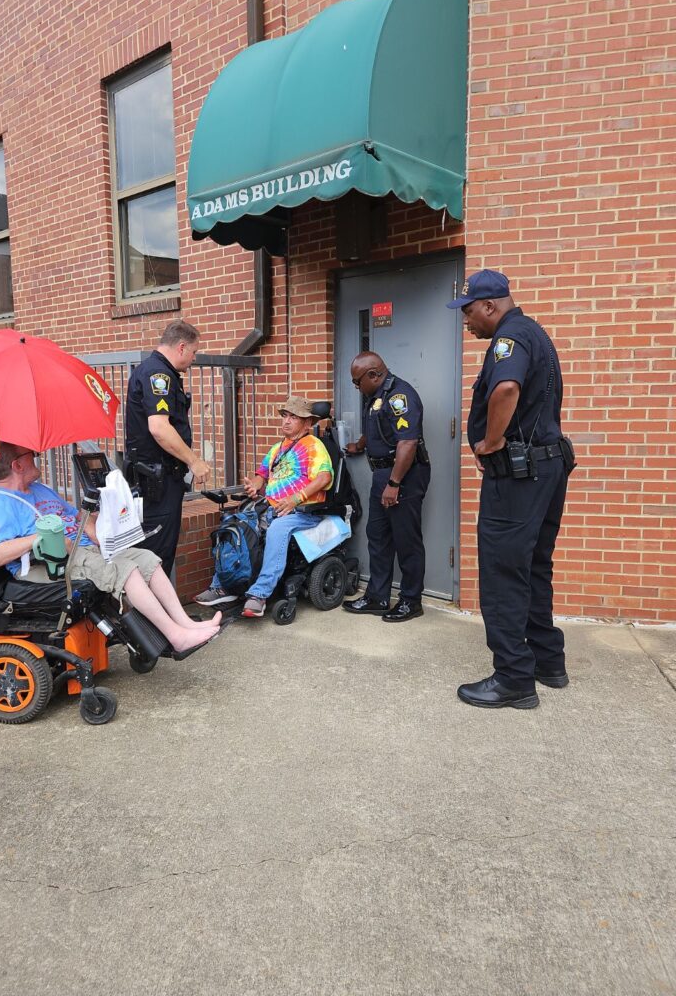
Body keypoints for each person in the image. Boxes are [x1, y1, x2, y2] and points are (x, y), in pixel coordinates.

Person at [447, 269, 575, 709]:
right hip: (548, 467)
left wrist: (491, 441)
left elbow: (505, 388)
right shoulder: (533, 330)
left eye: (468, 313)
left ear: (489, 306)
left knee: (503, 572)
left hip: (519, 477)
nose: (466, 323)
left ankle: (513, 678)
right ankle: (547, 661)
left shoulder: (510, 337)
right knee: (534, 565)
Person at [0, 441, 221, 657]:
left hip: (84, 551)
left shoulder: (41, 491)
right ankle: (176, 637)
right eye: (30, 453)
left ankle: (185, 624)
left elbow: (84, 526)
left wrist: (97, 509)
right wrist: (42, 537)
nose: (37, 455)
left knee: (147, 559)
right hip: (51, 564)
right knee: (126, 570)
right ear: (17, 465)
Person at [194, 396, 333, 618]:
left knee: (277, 529)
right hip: (270, 507)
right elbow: (262, 474)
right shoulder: (278, 448)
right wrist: (255, 486)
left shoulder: (314, 446)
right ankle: (223, 585)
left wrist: (296, 498)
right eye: (285, 416)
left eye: (294, 417)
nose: (286, 421)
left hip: (302, 511)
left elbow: (324, 477)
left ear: (308, 423)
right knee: (235, 524)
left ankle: (259, 594)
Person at [342, 352, 430, 623]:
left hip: (403, 475)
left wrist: (394, 483)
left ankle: (410, 601)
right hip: (383, 475)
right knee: (377, 535)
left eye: (357, 382)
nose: (356, 387)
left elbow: (407, 443)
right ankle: (377, 597)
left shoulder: (400, 397)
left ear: (373, 374)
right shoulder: (377, 396)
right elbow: (377, 424)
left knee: (406, 540)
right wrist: (361, 444)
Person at [124, 319, 211, 576]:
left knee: (158, 551)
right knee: (155, 556)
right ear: (182, 347)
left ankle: (155, 614)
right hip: (157, 481)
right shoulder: (158, 375)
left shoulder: (159, 371)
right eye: (194, 352)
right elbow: (159, 428)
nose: (194, 359)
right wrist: (194, 461)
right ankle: (149, 616)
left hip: (159, 478)